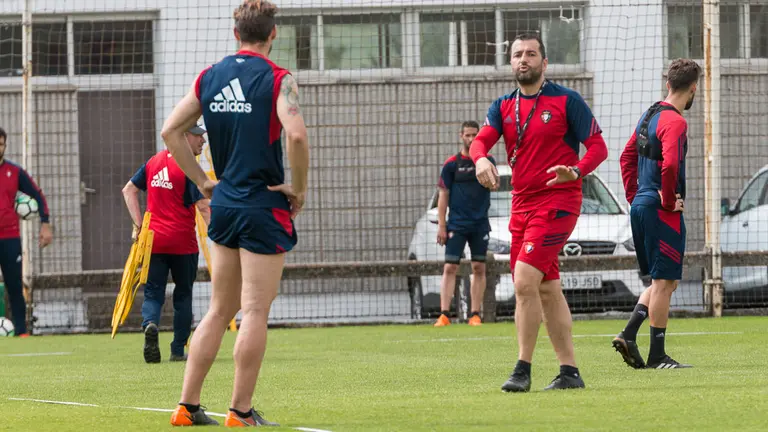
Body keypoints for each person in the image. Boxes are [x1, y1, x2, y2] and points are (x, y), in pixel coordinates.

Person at [162, 0, 309, 427]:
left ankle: (187, 406)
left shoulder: (210, 76)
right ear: (273, 33)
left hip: (224, 205)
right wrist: (299, 189)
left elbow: (170, 131)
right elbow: (297, 137)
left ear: (235, 34)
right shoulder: (278, 78)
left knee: (218, 309)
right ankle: (240, 411)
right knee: (255, 311)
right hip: (262, 205)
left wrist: (203, 181)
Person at [469, 33, 608, 392]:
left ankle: (522, 369)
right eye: (517, 54)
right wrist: (480, 158)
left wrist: (576, 170)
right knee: (546, 288)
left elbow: (598, 146)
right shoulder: (503, 106)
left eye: (531, 54)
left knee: (523, 281)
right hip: (522, 205)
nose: (523, 59)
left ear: (544, 63)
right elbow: (481, 140)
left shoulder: (567, 100)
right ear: (511, 62)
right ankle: (570, 373)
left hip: (558, 202)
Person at [612, 58, 700, 370]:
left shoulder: (648, 116)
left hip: (642, 205)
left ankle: (629, 334)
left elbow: (626, 157)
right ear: (693, 88)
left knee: (664, 282)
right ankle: (657, 356)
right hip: (661, 209)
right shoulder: (676, 122)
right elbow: (671, 164)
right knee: (664, 282)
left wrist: (635, 198)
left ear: (668, 84)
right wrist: (666, 200)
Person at [122, 124, 211, 364]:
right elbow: (203, 207)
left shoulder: (153, 162)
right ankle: (177, 349)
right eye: (198, 136)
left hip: (154, 241)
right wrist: (219, 235)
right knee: (183, 294)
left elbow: (129, 190)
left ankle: (150, 324)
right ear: (184, 137)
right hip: (183, 243)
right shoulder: (189, 167)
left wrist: (139, 225)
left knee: (153, 292)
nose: (202, 141)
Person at [434, 121, 495, 327]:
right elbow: (443, 195)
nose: (471, 139)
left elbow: (494, 185)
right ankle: (444, 314)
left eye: (474, 135)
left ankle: (475, 314)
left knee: (478, 267)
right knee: (450, 266)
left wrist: (489, 175)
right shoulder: (452, 164)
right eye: (467, 135)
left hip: (479, 224)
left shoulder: (487, 161)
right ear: (461, 136)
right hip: (457, 224)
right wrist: (442, 225)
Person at [0, 127, 53, 337]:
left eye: (1, 144)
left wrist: (45, 223)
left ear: (5, 146)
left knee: (14, 286)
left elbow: (38, 195)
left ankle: (21, 332)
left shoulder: (15, 172)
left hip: (10, 238)